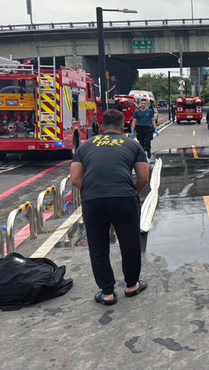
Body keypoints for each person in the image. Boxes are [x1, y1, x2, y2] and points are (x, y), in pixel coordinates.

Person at [70, 109, 149, 305]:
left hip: (93, 200)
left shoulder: (85, 146)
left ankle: (107, 293)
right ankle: (132, 286)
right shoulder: (133, 144)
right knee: (130, 243)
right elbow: (144, 177)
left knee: (98, 245)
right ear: (123, 126)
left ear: (101, 126)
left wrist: (93, 191)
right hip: (124, 197)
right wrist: (133, 194)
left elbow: (75, 178)